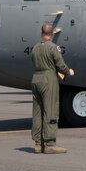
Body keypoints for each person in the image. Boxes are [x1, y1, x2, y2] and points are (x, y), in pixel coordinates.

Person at [30, 22, 74, 153]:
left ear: (41, 32)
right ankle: (49, 144)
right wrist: (68, 71)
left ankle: (38, 143)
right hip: (49, 79)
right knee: (51, 110)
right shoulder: (53, 47)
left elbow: (35, 61)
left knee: (37, 111)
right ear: (52, 33)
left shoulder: (35, 47)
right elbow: (60, 64)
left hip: (36, 78)